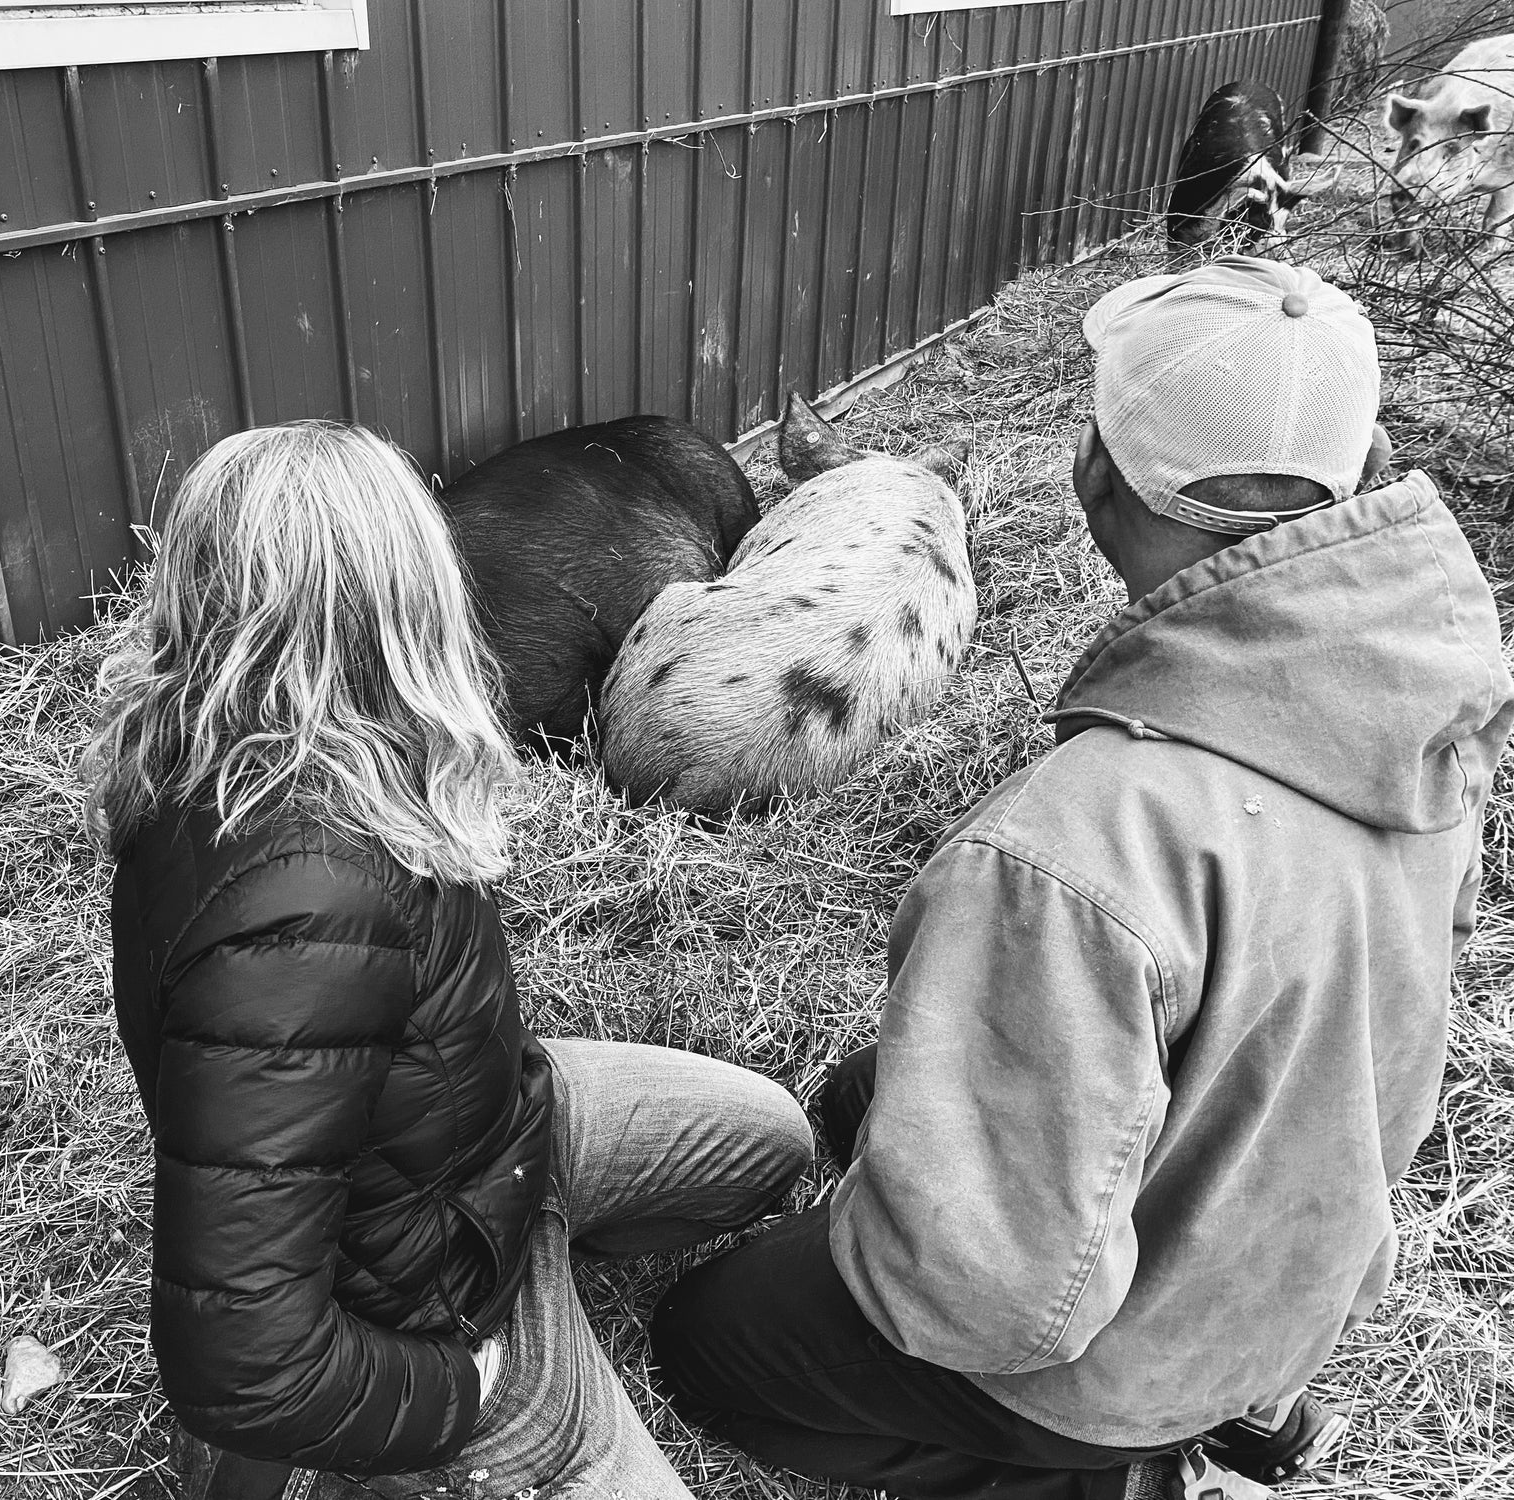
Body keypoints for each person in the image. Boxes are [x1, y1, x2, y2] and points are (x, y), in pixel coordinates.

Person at [648, 257, 1514, 1500]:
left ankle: (1108, 1474)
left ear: (1092, 472)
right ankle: (1255, 1407)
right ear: (1357, 468)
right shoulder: (1426, 693)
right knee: (863, 1098)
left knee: (710, 1340)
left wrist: (874, 1244)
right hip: (1299, 1265)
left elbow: (988, 1303)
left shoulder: (1068, 846)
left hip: (1127, 1361)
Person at [81, 420, 813, 1500]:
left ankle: (546, 1253)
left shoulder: (318, 760)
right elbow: (240, 1362)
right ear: (406, 594)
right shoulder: (295, 922)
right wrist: (455, 1388)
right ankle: (472, 1413)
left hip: (482, 1143)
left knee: (769, 1141)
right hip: (430, 1289)